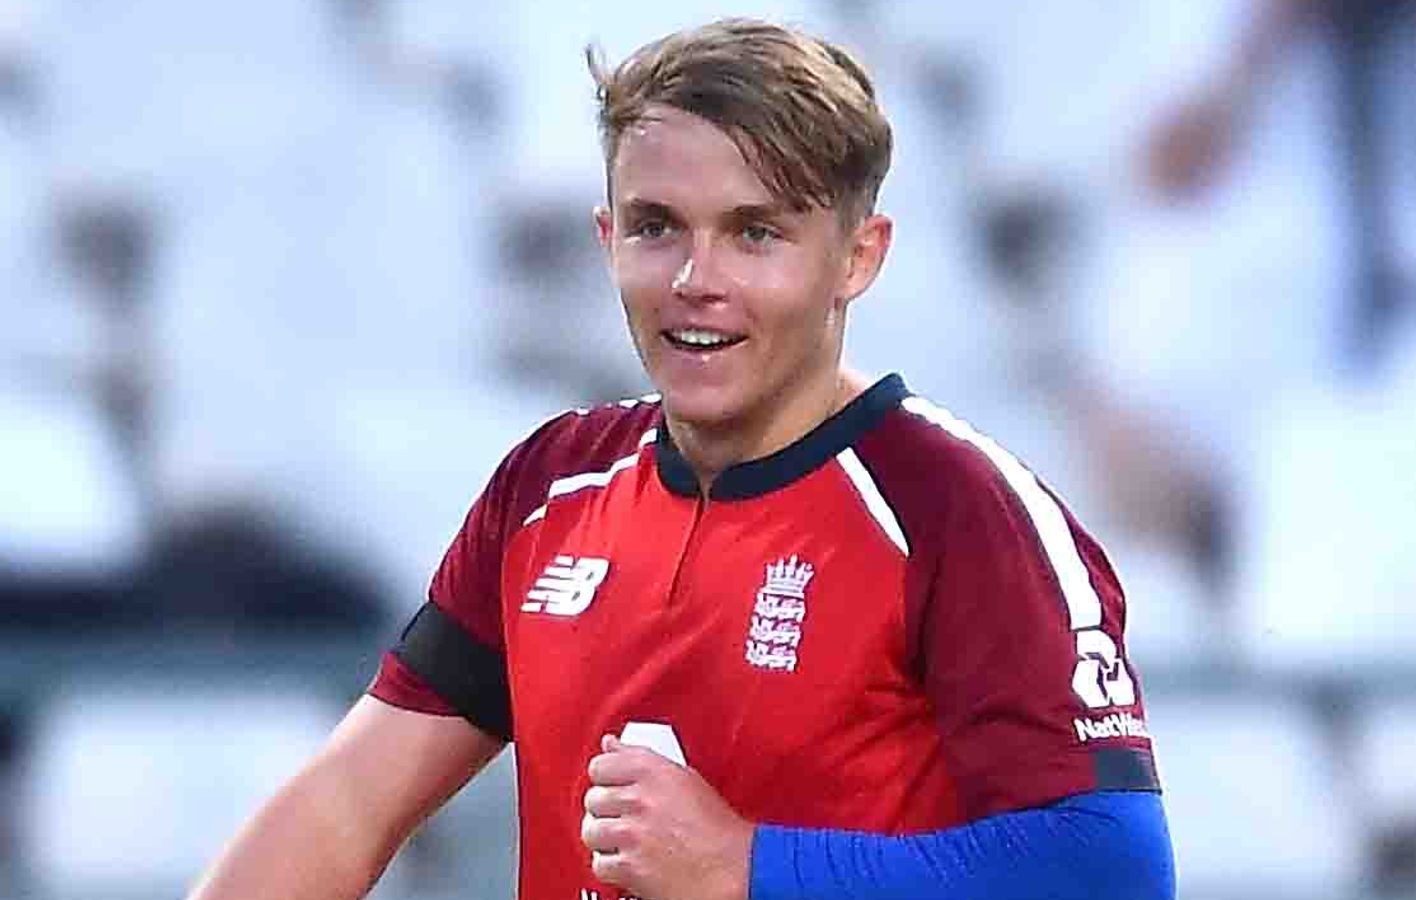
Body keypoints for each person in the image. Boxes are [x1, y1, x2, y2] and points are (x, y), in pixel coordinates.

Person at [186, 18, 1174, 900]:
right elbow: (348, 804)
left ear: (858, 257)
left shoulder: (957, 509)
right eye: (657, 228)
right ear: (607, 237)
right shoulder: (550, 485)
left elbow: (1113, 870)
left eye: (755, 234)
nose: (698, 280)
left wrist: (745, 869)